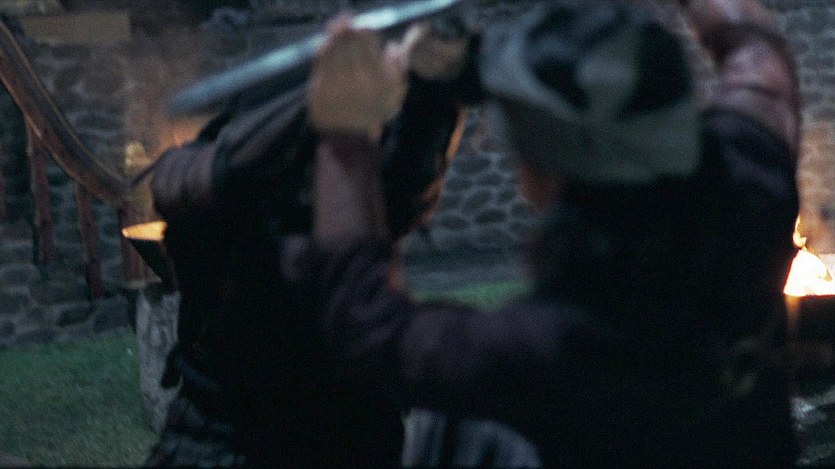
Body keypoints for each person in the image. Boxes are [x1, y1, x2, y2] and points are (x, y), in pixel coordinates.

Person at [297, 0, 801, 466]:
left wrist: (345, 135)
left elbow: (368, 330)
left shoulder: (558, 346)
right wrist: (461, 67)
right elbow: (753, 46)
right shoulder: (751, 177)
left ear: (545, 177)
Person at [143, 22, 478, 467]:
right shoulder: (207, 183)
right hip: (223, 441)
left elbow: (407, 180)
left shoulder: (352, 199)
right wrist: (317, 109)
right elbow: (190, 180)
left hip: (351, 437)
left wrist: (435, 88)